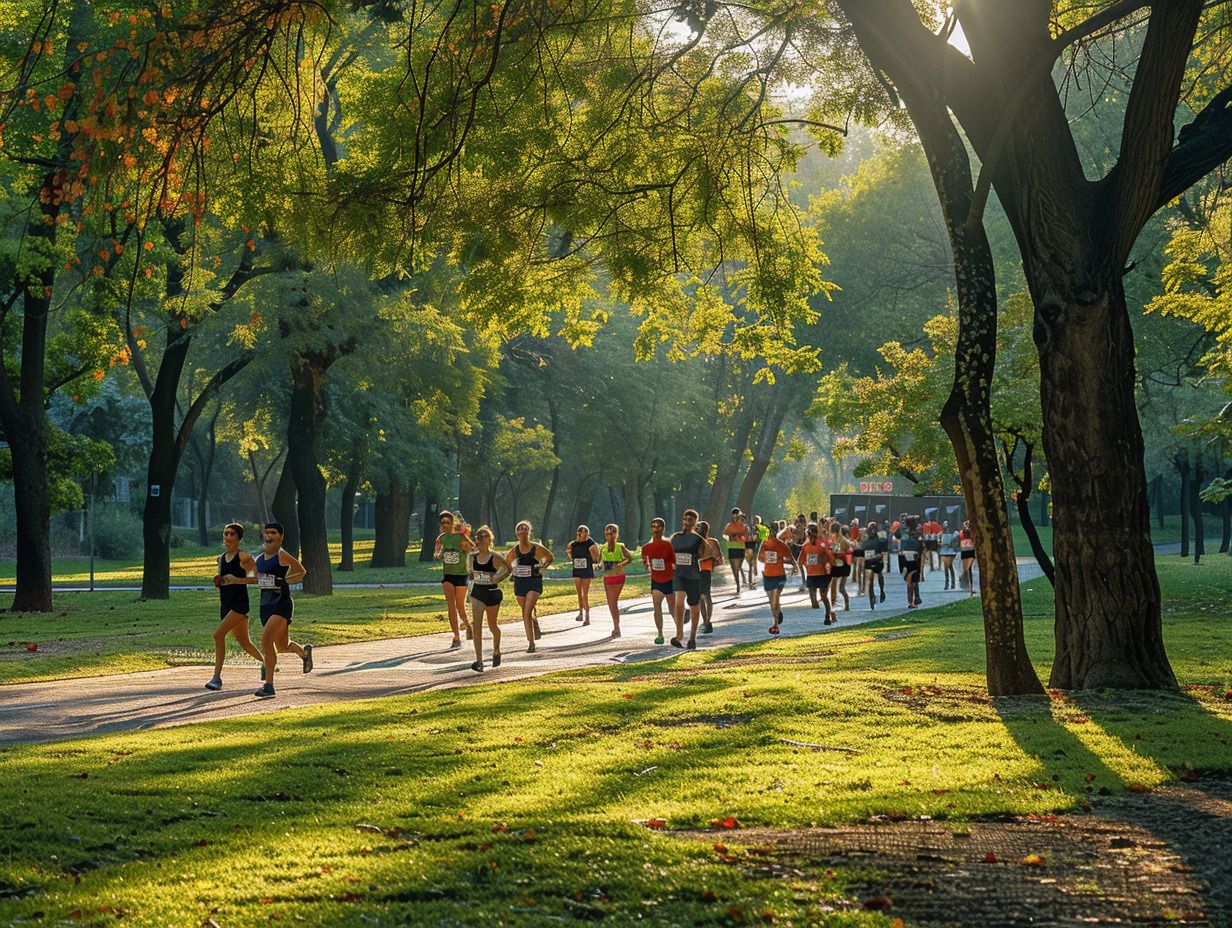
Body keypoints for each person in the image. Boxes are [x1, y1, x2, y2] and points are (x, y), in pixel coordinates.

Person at [253, 522, 312, 699]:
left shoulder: (282, 555)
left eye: (273, 533)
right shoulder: (258, 559)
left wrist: (284, 581)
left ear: (280, 537)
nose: (269, 536)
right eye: (267, 532)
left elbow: (301, 572)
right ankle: (304, 653)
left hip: (282, 604)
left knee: (265, 641)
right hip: (266, 605)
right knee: (281, 646)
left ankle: (269, 685)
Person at [204, 522, 264, 691]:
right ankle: (267, 664)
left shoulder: (244, 557)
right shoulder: (221, 558)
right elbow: (226, 580)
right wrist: (220, 581)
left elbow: (255, 579)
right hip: (226, 604)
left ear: (238, 538)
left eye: (231, 534)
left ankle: (216, 678)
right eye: (225, 534)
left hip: (239, 604)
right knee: (245, 642)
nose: (227, 537)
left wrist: (237, 580)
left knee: (218, 635)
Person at [467, 525, 509, 672]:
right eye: (480, 536)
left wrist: (498, 579)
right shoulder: (473, 557)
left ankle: (496, 650)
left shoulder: (495, 557)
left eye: (486, 536)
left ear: (490, 539)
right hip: (478, 592)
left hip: (492, 593)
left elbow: (508, 569)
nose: (483, 538)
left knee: (492, 626)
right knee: (476, 625)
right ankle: (479, 661)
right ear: (477, 539)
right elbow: (470, 572)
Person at [508, 520, 554, 652]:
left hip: (534, 582)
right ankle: (534, 622)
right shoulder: (514, 551)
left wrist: (543, 567)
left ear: (529, 532)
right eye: (520, 529)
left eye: (525, 529)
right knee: (525, 613)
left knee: (526, 612)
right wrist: (513, 571)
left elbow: (550, 557)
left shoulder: (536, 548)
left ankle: (531, 643)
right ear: (517, 534)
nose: (523, 531)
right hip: (520, 583)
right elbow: (507, 563)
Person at [434, 510, 475, 649]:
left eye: (447, 522)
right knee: (451, 607)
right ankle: (456, 636)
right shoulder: (441, 538)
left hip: (461, 575)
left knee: (460, 607)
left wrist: (465, 542)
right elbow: (437, 551)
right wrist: (438, 554)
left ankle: (468, 626)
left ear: (452, 523)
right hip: (448, 575)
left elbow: (472, 548)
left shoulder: (461, 537)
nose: (444, 525)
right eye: (442, 523)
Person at [669, 509, 708, 649]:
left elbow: (705, 553)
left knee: (693, 604)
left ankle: (692, 637)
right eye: (685, 519)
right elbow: (670, 553)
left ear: (695, 522)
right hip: (679, 574)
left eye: (690, 520)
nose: (686, 522)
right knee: (678, 604)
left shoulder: (698, 539)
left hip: (693, 575)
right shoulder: (676, 537)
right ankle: (679, 635)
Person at [641, 517, 677, 644]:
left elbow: (674, 561)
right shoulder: (646, 547)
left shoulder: (667, 545)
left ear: (663, 528)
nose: (656, 529)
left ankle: (679, 632)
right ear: (651, 529)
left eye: (659, 526)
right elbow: (645, 561)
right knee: (657, 606)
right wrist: (648, 567)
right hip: (656, 580)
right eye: (654, 526)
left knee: (672, 607)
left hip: (669, 579)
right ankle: (660, 634)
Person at [758, 524, 796, 635]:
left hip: (779, 575)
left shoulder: (781, 545)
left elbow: (790, 558)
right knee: (772, 601)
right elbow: (760, 559)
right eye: (772, 530)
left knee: (775, 599)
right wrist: (772, 559)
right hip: (768, 575)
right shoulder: (765, 544)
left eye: (775, 530)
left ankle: (775, 625)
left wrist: (786, 562)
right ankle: (777, 612)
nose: (773, 532)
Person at [599, 524, 632, 637]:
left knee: (613, 602)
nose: (610, 535)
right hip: (608, 577)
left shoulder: (620, 546)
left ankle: (616, 627)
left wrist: (620, 564)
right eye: (608, 532)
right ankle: (616, 626)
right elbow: (599, 562)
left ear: (616, 533)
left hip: (618, 576)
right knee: (611, 603)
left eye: (612, 532)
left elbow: (630, 558)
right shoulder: (603, 548)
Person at [799, 524, 834, 621]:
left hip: (821, 574)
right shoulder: (806, 546)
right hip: (812, 574)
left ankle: (828, 615)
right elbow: (801, 560)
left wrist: (828, 566)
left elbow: (830, 558)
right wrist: (807, 566)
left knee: (822, 597)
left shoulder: (821, 545)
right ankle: (820, 618)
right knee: (817, 599)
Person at [568, 525, 601, 626]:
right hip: (577, 570)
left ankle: (587, 616)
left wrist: (594, 564)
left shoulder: (590, 543)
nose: (581, 533)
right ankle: (580, 612)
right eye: (580, 531)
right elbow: (571, 555)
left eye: (584, 531)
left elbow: (596, 557)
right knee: (579, 593)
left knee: (584, 594)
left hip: (586, 571)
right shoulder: (573, 544)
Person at [696, 520, 723, 634]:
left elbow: (719, 559)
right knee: (700, 597)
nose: (696, 529)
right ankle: (705, 620)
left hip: (706, 570)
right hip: (695, 571)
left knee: (706, 595)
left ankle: (708, 621)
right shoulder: (694, 542)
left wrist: (710, 561)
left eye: (698, 527)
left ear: (705, 530)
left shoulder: (712, 542)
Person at [722, 509, 749, 595]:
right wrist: (729, 537)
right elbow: (724, 535)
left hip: (740, 548)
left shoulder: (743, 527)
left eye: (736, 515)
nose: (735, 517)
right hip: (732, 548)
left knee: (737, 567)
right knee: (734, 569)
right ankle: (738, 583)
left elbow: (746, 537)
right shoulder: (729, 525)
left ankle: (739, 583)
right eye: (733, 515)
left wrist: (739, 537)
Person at [862, 523, 887, 609]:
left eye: (874, 529)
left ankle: (882, 591)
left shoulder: (880, 539)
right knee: (870, 580)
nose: (873, 531)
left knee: (880, 575)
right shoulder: (865, 539)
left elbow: (884, 551)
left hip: (877, 561)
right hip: (868, 561)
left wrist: (881, 555)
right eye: (871, 529)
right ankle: (871, 597)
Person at [900, 517, 923, 608]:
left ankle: (913, 599)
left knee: (912, 581)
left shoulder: (915, 535)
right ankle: (913, 599)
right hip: (909, 559)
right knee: (912, 581)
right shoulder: (907, 534)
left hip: (912, 559)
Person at [828, 525, 852, 612]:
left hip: (843, 564)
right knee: (834, 585)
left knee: (840, 587)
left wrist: (835, 551)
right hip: (836, 564)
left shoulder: (841, 539)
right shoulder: (833, 539)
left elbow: (844, 550)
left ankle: (846, 605)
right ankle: (832, 603)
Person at [940, 521, 959, 590]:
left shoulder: (953, 534)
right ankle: (948, 582)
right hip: (944, 550)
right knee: (947, 566)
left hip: (950, 550)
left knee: (948, 564)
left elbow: (953, 542)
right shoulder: (941, 534)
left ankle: (951, 582)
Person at [959, 520, 976, 594]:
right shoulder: (961, 533)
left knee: (969, 568)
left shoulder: (972, 532)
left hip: (970, 551)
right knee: (966, 569)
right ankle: (966, 584)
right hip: (965, 551)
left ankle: (971, 586)